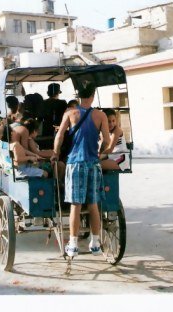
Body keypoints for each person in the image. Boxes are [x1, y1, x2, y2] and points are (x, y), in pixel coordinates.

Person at [51, 81, 113, 258]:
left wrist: (55, 153)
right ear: (93, 95)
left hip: (74, 163)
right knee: (93, 205)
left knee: (75, 205)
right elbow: (107, 141)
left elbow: (60, 136)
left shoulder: (70, 113)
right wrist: (100, 153)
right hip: (93, 163)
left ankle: (73, 244)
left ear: (78, 96)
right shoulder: (100, 115)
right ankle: (95, 243)